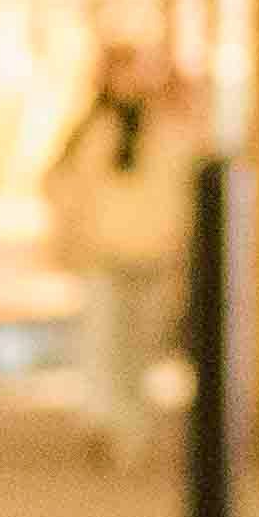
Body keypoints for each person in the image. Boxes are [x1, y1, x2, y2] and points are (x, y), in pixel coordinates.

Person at [44, 42, 205, 471]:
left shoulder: (166, 128)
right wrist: (76, 234)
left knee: (138, 349)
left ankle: (131, 429)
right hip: (104, 255)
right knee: (102, 345)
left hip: (151, 255)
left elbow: (188, 183)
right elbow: (62, 185)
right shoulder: (92, 129)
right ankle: (105, 424)